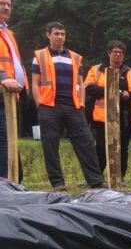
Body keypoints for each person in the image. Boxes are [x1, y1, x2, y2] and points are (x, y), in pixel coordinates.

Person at [32, 22, 106, 191]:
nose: (60, 37)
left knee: (85, 141)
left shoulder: (75, 57)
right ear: (48, 35)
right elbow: (35, 83)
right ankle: (58, 183)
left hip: (73, 106)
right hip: (49, 105)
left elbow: (81, 83)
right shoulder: (40, 56)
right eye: (56, 33)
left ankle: (96, 181)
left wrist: (81, 104)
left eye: (62, 34)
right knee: (50, 144)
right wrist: (40, 105)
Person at [83, 40, 131, 182]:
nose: (118, 55)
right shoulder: (97, 70)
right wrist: (109, 90)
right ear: (109, 53)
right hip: (102, 116)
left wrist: (128, 95)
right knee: (101, 147)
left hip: (125, 116)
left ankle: (120, 177)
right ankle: (97, 177)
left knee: (122, 147)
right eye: (115, 52)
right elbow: (88, 88)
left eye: (121, 53)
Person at [0, 0, 27, 182]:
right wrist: (2, 77)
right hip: (3, 91)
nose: (6, 7)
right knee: (3, 142)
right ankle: (6, 187)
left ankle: (13, 183)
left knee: (8, 141)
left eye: (9, 4)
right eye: (2, 3)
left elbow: (14, 62)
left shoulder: (7, 33)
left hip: (8, 97)